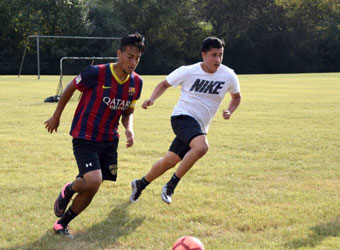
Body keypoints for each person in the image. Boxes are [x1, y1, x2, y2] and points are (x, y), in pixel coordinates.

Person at [45, 32, 145, 238]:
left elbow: (128, 112)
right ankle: (69, 188)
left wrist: (129, 128)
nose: (133, 62)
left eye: (137, 58)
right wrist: (56, 116)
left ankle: (61, 225)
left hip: (109, 140)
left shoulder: (137, 83)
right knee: (93, 181)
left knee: (93, 187)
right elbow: (71, 87)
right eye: (130, 56)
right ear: (119, 53)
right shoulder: (96, 73)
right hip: (85, 135)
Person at [129, 36, 241, 205]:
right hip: (182, 117)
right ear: (203, 55)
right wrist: (152, 99)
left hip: (200, 126)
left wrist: (229, 110)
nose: (218, 59)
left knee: (169, 161)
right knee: (202, 147)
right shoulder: (188, 71)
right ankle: (171, 186)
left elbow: (236, 97)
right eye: (213, 55)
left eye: (220, 55)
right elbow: (164, 84)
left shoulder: (228, 75)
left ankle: (140, 184)